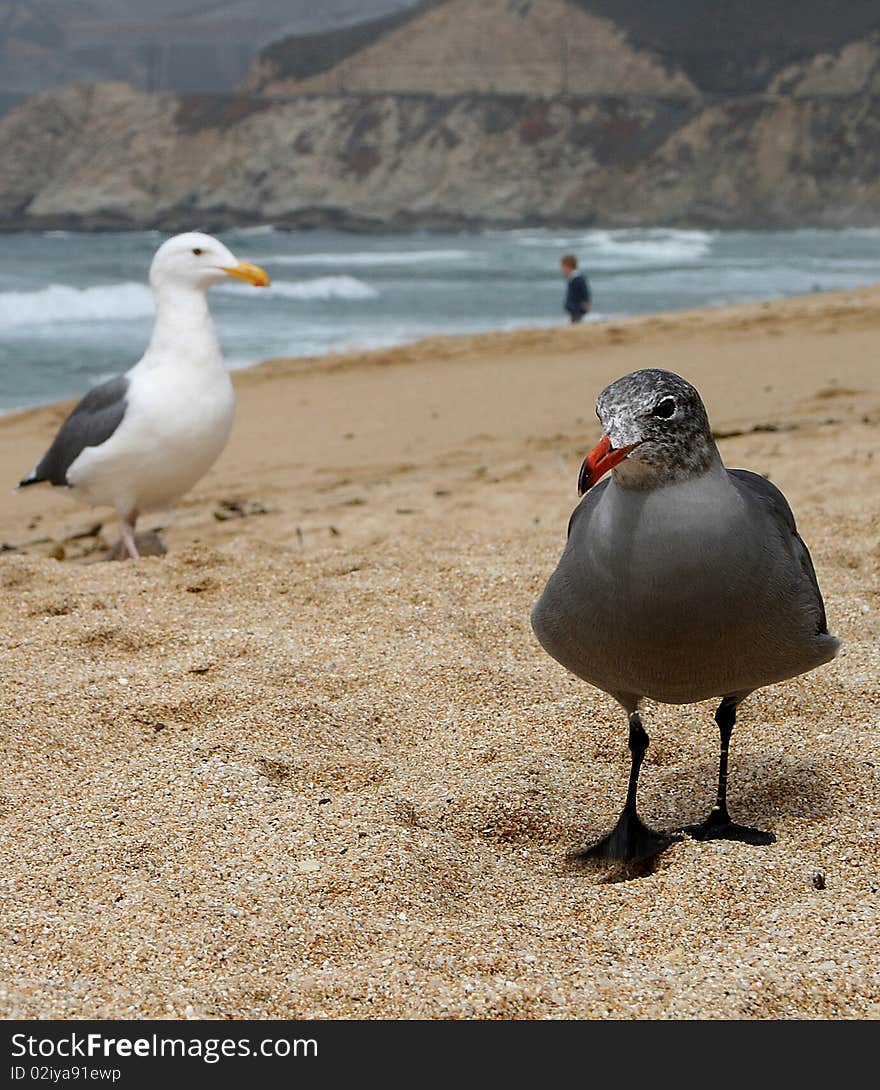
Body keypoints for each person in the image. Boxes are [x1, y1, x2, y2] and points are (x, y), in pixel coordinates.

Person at [560, 254, 591, 323]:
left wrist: (586, 301)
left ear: (568, 267)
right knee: (574, 319)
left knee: (576, 320)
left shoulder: (578, 278)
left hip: (577, 306)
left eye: (563, 267)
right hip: (572, 306)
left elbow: (585, 291)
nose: (562, 270)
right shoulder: (571, 278)